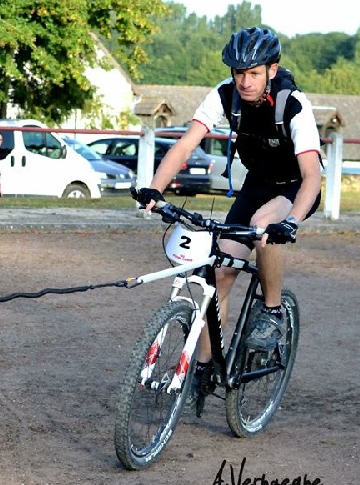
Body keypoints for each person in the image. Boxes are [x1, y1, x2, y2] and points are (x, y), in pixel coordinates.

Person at [133, 27, 322, 408]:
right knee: (217, 271)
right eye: (239, 73)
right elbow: (187, 143)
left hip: (294, 189)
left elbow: (313, 175)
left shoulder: (293, 104)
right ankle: (204, 367)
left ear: (273, 69)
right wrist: (154, 189)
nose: (245, 81)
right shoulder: (225, 95)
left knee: (266, 226)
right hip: (257, 184)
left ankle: (271, 312)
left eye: (254, 73)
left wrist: (293, 221)